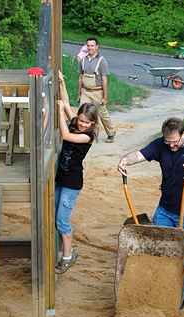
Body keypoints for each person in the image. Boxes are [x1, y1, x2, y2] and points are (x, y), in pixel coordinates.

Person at [117, 118, 184, 306]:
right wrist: (124, 160)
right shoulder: (161, 145)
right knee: (158, 252)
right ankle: (156, 293)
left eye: (175, 142)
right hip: (165, 210)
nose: (171, 146)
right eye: (168, 142)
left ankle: (179, 299)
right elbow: (139, 155)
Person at [55, 70, 98, 274]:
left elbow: (65, 134)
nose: (81, 124)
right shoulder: (76, 123)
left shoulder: (86, 137)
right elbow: (66, 104)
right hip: (60, 178)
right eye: (80, 120)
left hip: (72, 183)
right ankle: (60, 251)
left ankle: (67, 256)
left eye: (86, 123)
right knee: (55, 216)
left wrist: (58, 112)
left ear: (92, 125)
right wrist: (62, 83)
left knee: (62, 220)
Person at [80, 37, 116, 142]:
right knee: (84, 112)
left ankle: (111, 133)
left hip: (97, 92)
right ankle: (88, 134)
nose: (90, 47)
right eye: (88, 45)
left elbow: (105, 79)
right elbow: (80, 77)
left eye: (92, 45)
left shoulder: (102, 61)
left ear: (97, 47)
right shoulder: (83, 60)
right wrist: (79, 92)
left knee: (102, 114)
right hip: (85, 91)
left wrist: (105, 97)